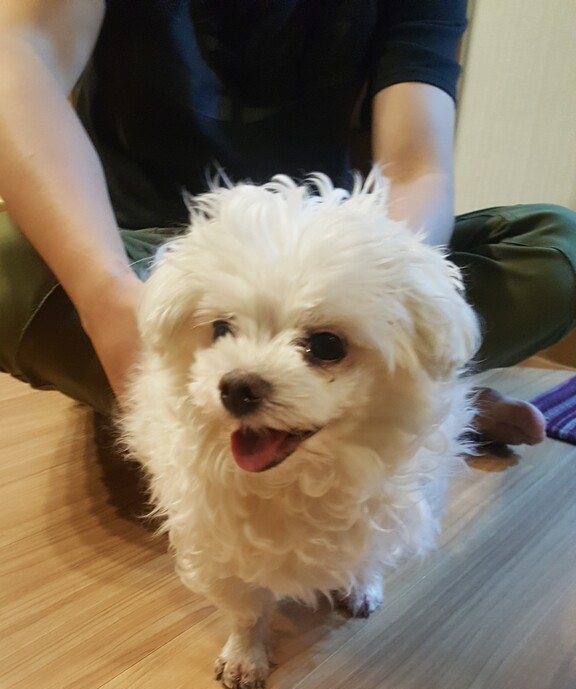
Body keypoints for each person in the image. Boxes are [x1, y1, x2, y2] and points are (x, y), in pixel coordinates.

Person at [0, 0, 574, 446]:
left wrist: (384, 304)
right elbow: (19, 51)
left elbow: (415, 169)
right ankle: (397, 411)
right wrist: (107, 300)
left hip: (324, 267)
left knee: (556, 250)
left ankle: (391, 393)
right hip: (138, 258)